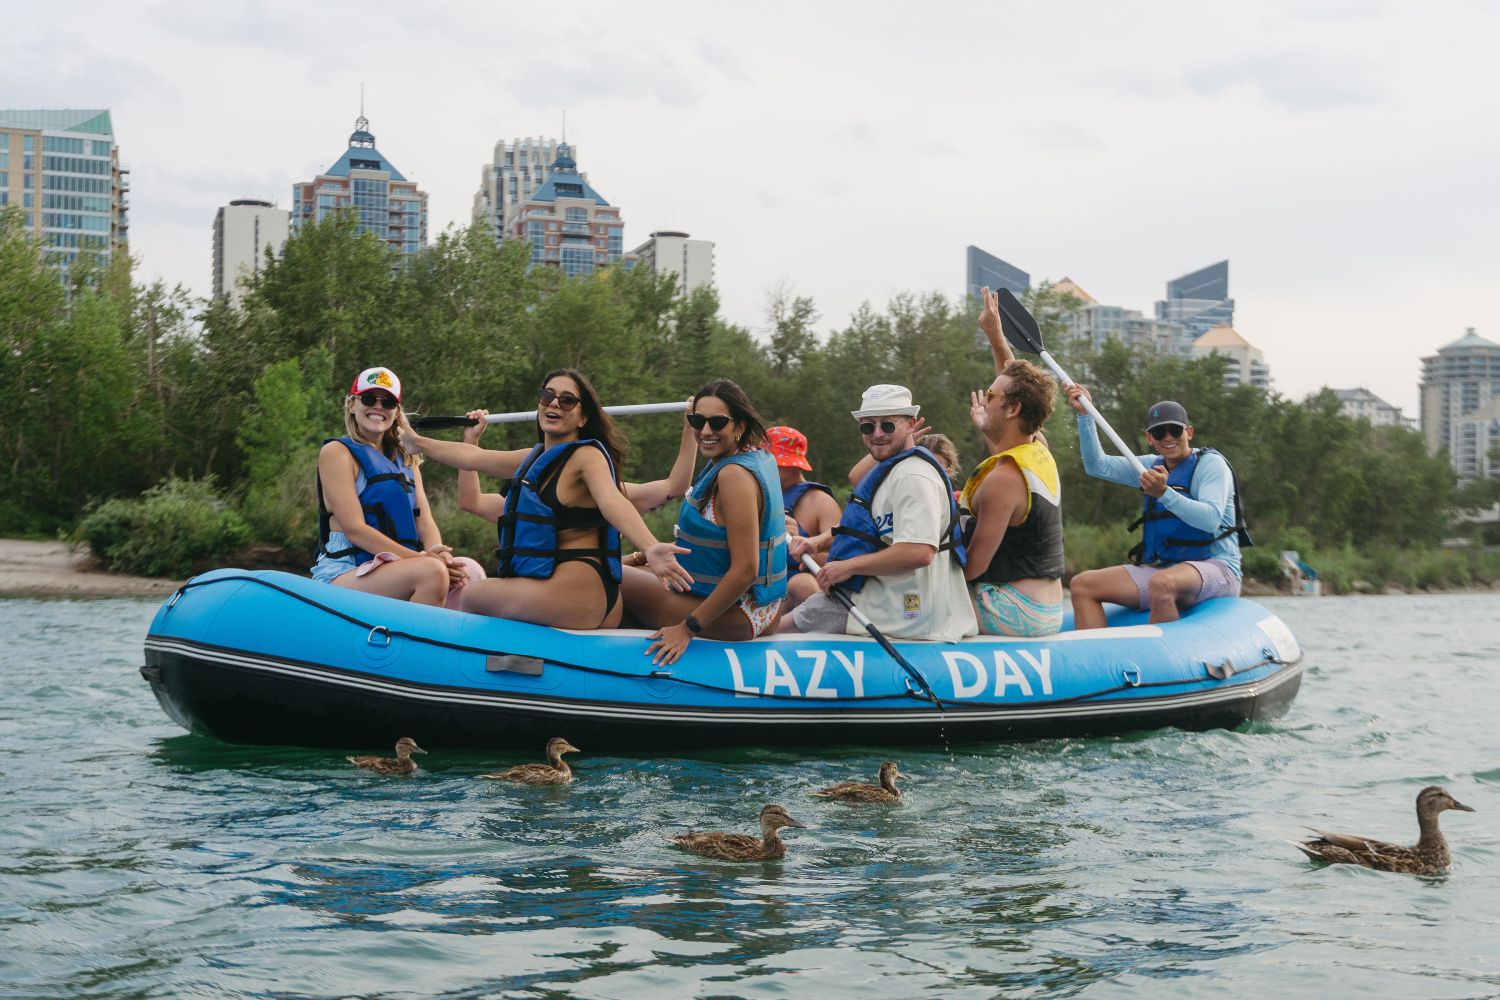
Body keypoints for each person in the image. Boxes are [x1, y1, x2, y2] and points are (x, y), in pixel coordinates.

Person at [396, 368, 693, 629]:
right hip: (577, 596)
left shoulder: (586, 457)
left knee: (473, 594)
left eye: (567, 400)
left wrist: (650, 547)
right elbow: (473, 457)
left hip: (578, 596)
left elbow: (613, 501)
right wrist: (417, 442)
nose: (554, 403)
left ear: (582, 418)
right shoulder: (536, 458)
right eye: (547, 396)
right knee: (491, 589)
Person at [780, 385, 976, 641]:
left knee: (774, 629)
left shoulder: (914, 476)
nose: (878, 433)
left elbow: (919, 551)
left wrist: (846, 567)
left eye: (888, 426)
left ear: (910, 424)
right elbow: (867, 531)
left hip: (897, 610)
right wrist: (816, 542)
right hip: (880, 597)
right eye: (868, 427)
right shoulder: (891, 471)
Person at [624, 379, 788, 665]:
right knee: (627, 568)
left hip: (738, 615)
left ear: (739, 426)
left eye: (717, 422)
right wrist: (640, 557)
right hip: (761, 610)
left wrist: (687, 629)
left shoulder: (734, 476)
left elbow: (747, 569)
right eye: (697, 421)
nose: (705, 431)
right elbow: (712, 545)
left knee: (608, 574)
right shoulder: (749, 456)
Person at [1065, 390, 1251, 627]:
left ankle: (1164, 658)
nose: (1167, 437)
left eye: (1174, 430)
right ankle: (1094, 661)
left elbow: (1211, 520)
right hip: (1168, 569)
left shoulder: (1211, 466)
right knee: (1082, 585)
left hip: (1219, 569)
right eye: (1158, 432)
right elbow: (1097, 466)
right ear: (1149, 438)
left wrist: (1164, 493)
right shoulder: (1147, 467)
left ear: (1189, 432)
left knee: (1162, 584)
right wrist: (1085, 415)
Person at [313, 367, 482, 607]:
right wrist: (424, 559)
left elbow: (425, 522)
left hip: (397, 568)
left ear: (396, 412)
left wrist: (441, 553)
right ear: (352, 405)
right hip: (344, 572)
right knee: (431, 572)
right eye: (369, 399)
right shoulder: (337, 453)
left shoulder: (407, 460)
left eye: (388, 402)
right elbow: (355, 530)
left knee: (470, 572)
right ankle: (412, 642)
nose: (378, 407)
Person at [958, 286, 1066, 637]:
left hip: (1017, 610)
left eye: (990, 396)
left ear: (1013, 408)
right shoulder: (1039, 449)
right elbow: (1016, 384)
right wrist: (995, 335)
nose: (985, 399)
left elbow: (974, 568)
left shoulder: (1003, 479)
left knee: (913, 605)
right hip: (1049, 607)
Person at [455, 400, 700, 524]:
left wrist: (690, 428)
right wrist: (470, 439)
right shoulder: (526, 499)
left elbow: (675, 486)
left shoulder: (607, 494)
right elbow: (470, 501)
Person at [765, 425, 841, 582]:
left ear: (794, 465)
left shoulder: (821, 502)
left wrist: (800, 547)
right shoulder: (759, 496)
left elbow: (840, 561)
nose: (765, 468)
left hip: (799, 592)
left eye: (774, 462)